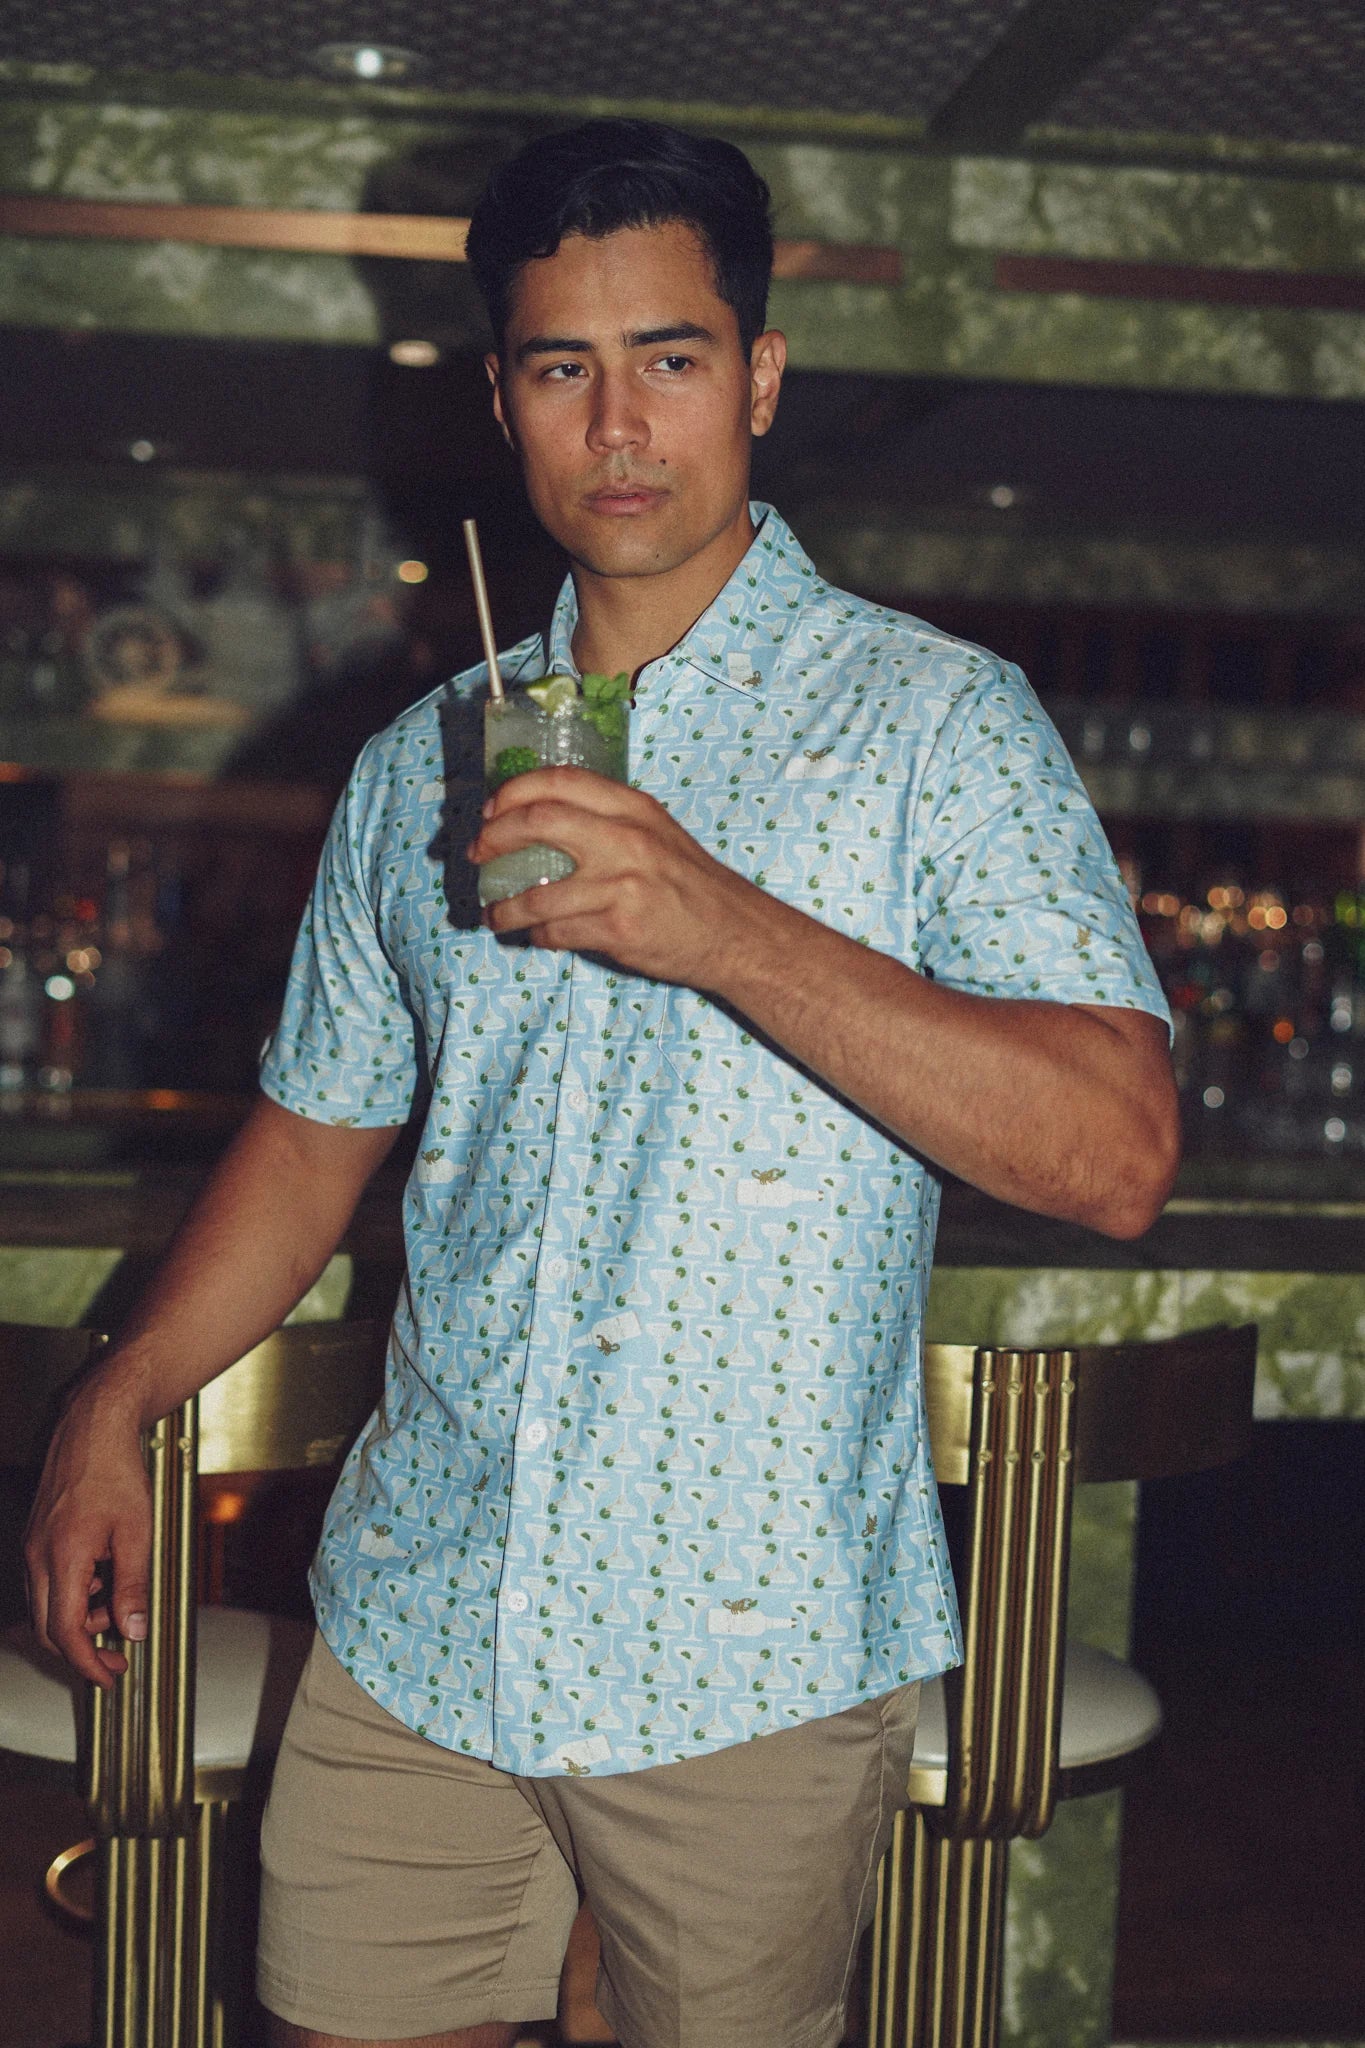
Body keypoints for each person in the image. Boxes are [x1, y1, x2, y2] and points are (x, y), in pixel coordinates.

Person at [26, 119, 1178, 2048]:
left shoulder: (936, 722)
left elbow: (1115, 1153)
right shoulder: (418, 762)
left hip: (746, 1650)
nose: (619, 424)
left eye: (672, 357)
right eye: (563, 367)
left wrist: (722, 925)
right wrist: (118, 1399)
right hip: (418, 1613)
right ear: (502, 401)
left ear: (761, 378)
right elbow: (313, 1134)